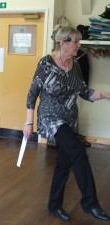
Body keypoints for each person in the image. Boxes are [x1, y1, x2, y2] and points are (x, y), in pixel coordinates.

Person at [23, 26, 110, 222]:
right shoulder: (46, 63)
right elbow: (32, 94)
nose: (79, 45)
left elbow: (84, 92)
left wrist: (105, 95)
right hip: (50, 118)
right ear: (63, 43)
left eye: (79, 41)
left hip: (70, 118)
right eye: (75, 42)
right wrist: (28, 122)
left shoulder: (76, 65)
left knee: (64, 164)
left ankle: (54, 206)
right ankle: (90, 203)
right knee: (78, 151)